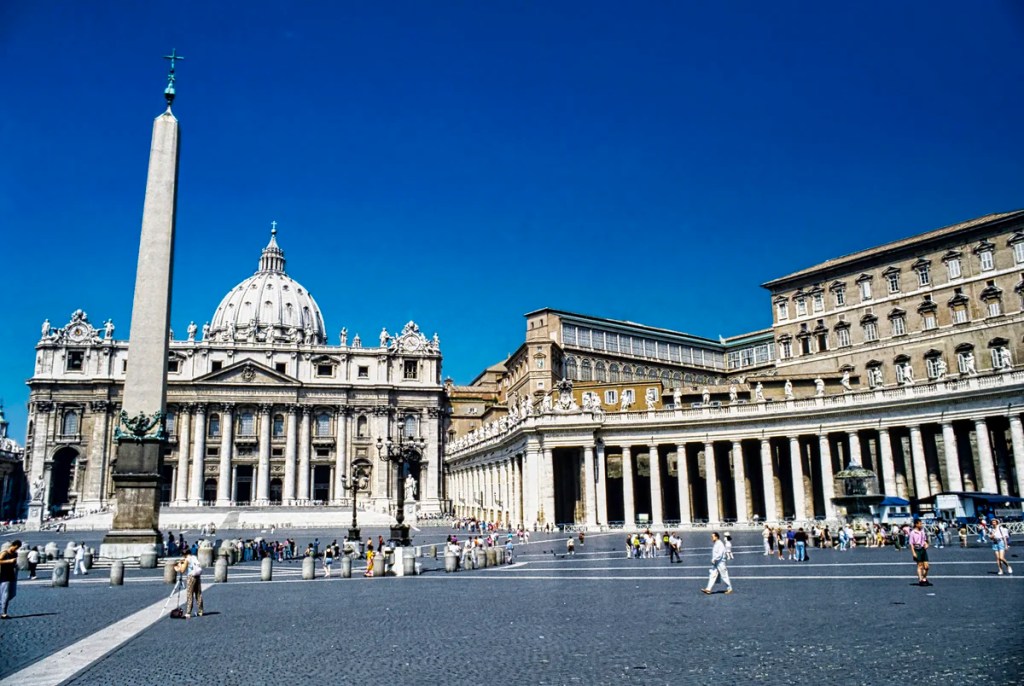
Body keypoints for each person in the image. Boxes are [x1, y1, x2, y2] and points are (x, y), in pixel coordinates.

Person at [0, 540, 22, 619]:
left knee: (12, 594)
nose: (16, 549)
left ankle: (2, 605)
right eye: (16, 548)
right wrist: (9, 561)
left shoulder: (15, 554)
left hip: (12, 575)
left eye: (17, 548)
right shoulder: (5, 553)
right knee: (5, 595)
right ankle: (3, 613)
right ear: (13, 545)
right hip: (4, 575)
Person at [909, 519, 931, 586]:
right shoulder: (912, 533)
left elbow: (925, 540)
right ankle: (920, 580)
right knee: (920, 566)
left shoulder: (922, 531)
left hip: (923, 549)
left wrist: (926, 544)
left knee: (927, 566)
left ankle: (924, 578)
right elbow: (911, 544)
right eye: (920, 524)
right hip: (917, 549)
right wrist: (913, 553)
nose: (921, 525)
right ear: (916, 524)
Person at [182, 550, 204, 618]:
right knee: (198, 594)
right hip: (197, 576)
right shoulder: (194, 557)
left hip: (191, 577)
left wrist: (179, 566)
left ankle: (188, 612)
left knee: (190, 594)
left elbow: (182, 570)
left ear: (185, 555)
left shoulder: (187, 559)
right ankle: (200, 611)